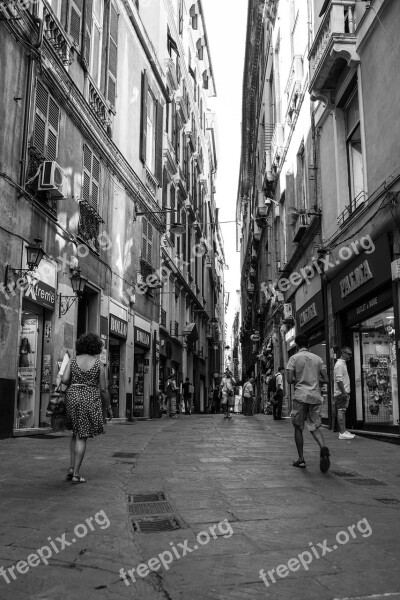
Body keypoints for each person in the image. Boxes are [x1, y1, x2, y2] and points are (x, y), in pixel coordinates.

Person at [61, 333, 110, 484]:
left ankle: (71, 467)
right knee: (82, 437)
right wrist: (107, 406)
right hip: (89, 398)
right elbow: (103, 389)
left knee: (75, 433)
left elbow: (64, 380)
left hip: (73, 397)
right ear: (96, 347)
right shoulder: (98, 364)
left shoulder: (73, 361)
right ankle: (76, 474)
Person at [286, 334, 330, 473]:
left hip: (300, 396)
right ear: (308, 344)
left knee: (298, 427)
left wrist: (300, 379)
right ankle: (323, 447)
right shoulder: (318, 359)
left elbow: (289, 379)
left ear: (297, 345)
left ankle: (301, 460)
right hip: (315, 397)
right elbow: (326, 379)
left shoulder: (293, 358)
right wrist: (315, 381)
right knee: (314, 426)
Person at [334, 347, 355, 440]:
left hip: (343, 392)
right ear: (343, 353)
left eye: (351, 354)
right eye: (348, 354)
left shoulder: (343, 364)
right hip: (341, 393)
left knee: (343, 411)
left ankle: (344, 430)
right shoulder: (339, 365)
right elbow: (339, 379)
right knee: (341, 410)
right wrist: (343, 392)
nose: (350, 356)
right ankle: (342, 432)